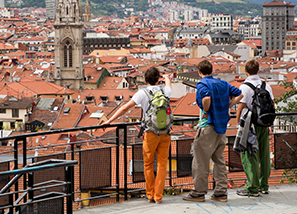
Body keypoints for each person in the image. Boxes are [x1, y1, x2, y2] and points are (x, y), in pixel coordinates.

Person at [102, 66, 172, 204]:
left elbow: (124, 108)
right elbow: (169, 85)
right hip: (165, 132)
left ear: (145, 80)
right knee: (163, 164)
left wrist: (109, 120)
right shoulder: (165, 91)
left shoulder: (142, 93)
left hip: (150, 132)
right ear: (158, 79)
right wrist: (167, 79)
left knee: (148, 164)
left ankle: (150, 194)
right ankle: (159, 196)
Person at [183, 59, 243, 202]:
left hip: (207, 126)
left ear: (199, 72)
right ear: (211, 70)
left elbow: (206, 98)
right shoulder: (222, 83)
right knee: (219, 160)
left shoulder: (202, 84)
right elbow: (240, 93)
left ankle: (198, 192)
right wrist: (229, 105)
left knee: (200, 161)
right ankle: (221, 192)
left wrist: (206, 110)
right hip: (221, 127)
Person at [236, 59, 274, 197]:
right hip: (264, 124)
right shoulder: (266, 85)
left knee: (249, 155)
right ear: (258, 70)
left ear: (245, 70)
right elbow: (273, 105)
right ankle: (264, 185)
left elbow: (240, 108)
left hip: (250, 126)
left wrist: (238, 125)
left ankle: (252, 187)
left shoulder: (244, 86)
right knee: (264, 154)